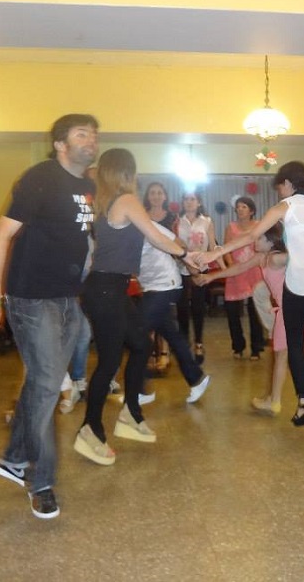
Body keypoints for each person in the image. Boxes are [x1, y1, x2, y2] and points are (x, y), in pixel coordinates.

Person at [0, 113, 98, 520]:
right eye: (82, 134)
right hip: (31, 298)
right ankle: (40, 480)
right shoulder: (40, 178)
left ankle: (12, 457)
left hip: (66, 297)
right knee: (48, 386)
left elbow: (77, 238)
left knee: (42, 384)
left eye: (94, 134)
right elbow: (2, 234)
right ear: (60, 144)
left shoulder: (87, 185)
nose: (91, 140)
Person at [198, 160, 304, 444]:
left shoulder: (287, 206)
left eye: (280, 187)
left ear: (288, 184)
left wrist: (213, 253)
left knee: (294, 344)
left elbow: (252, 235)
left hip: (301, 284)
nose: (280, 192)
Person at [76, 148, 203, 467]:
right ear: (126, 173)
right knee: (109, 362)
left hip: (109, 288)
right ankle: (90, 430)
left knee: (142, 346)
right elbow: (157, 238)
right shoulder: (126, 200)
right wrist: (186, 255)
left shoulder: (106, 204)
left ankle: (131, 414)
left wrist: (179, 250)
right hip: (106, 289)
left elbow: (153, 236)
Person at [197, 224, 304, 421]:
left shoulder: (275, 257)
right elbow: (238, 268)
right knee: (288, 355)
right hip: (295, 311)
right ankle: (275, 400)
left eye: (258, 239)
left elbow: (299, 256)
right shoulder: (262, 257)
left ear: (271, 241)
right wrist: (210, 276)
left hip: (294, 311)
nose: (254, 242)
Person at [138, 221, 211, 404]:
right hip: (151, 287)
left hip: (165, 285)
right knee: (171, 334)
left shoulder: (146, 224)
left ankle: (139, 390)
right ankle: (196, 379)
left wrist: (193, 270)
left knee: (137, 334)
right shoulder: (123, 226)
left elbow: (178, 243)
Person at [175, 191, 218, 363]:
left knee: (198, 307)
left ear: (199, 202)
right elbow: (175, 245)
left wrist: (223, 266)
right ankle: (184, 342)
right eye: (186, 199)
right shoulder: (177, 221)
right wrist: (187, 264)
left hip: (201, 269)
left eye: (192, 199)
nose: (189, 202)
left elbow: (213, 246)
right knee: (182, 308)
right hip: (181, 269)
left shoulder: (206, 221)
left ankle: (199, 343)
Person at [142, 181, 178, 373]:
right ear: (147, 196)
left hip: (167, 270)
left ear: (165, 196)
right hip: (146, 272)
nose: (156, 196)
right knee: (148, 319)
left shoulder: (172, 218)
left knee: (164, 315)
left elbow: (177, 242)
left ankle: (164, 353)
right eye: (152, 193)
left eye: (159, 193)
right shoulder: (141, 217)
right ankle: (148, 354)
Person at [223, 196, 264, 360]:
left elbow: (264, 247)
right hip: (235, 271)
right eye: (238, 207)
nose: (240, 209)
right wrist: (231, 264)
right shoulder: (230, 227)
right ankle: (238, 347)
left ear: (251, 210)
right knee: (232, 310)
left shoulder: (259, 226)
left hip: (254, 270)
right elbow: (225, 249)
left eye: (244, 207)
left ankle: (256, 347)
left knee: (255, 311)